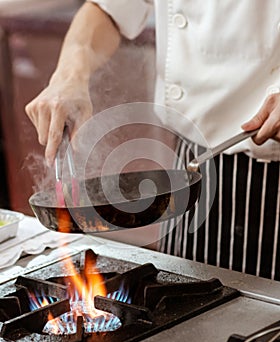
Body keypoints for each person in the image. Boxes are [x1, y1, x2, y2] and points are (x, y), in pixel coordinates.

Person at [25, 1, 280, 280]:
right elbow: (109, 9)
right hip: (193, 172)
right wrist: (68, 76)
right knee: (190, 307)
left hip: (272, 168)